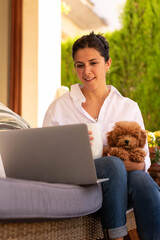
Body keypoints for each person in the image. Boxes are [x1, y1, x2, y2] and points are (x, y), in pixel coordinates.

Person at [43, 32, 160, 240]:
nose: (86, 71)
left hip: (122, 189)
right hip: (79, 186)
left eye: (93, 63)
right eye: (80, 65)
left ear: (107, 64)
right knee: (114, 165)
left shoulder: (127, 107)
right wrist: (77, 151)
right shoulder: (60, 108)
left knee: (141, 179)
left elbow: (142, 163)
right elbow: (48, 159)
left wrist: (112, 162)